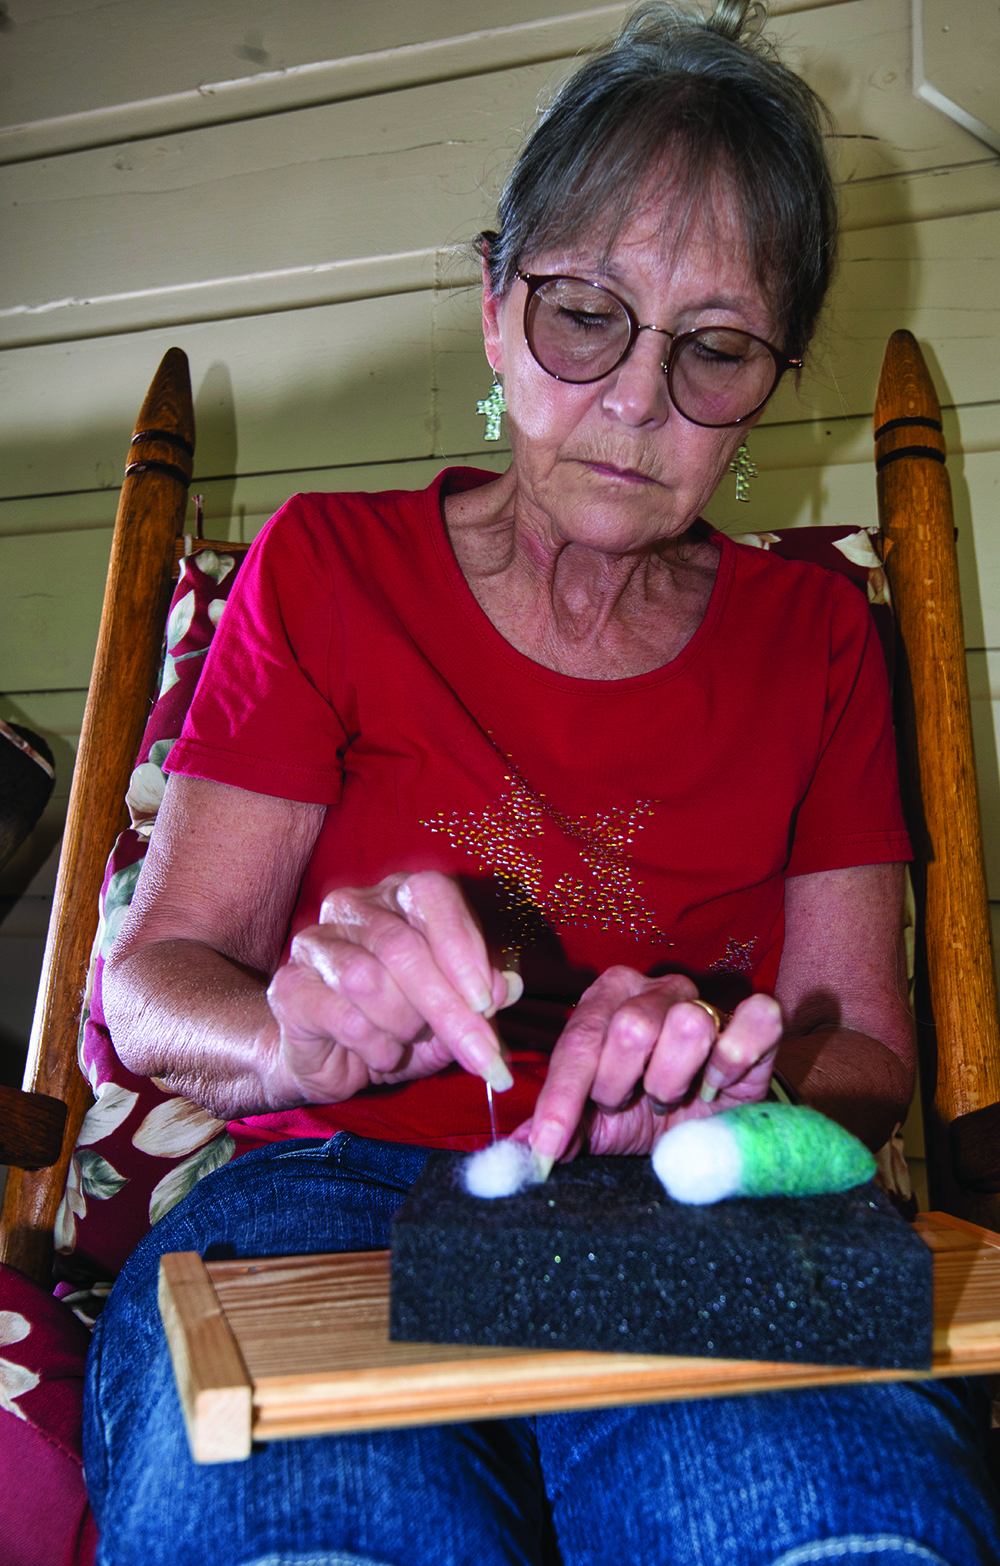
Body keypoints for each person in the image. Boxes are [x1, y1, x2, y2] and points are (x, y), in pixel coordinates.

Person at [84, 4, 1000, 1563]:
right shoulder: (328, 570)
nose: (639, 403)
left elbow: (871, 1054)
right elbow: (153, 989)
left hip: (690, 1218)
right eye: (588, 314)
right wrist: (297, 1040)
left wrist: (740, 1089)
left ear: (770, 381)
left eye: (714, 348)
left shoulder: (820, 642)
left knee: (835, 1530)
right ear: (498, 307)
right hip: (332, 1196)